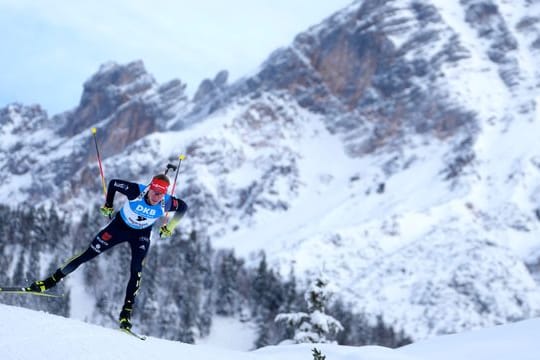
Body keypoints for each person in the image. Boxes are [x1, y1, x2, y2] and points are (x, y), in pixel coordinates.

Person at [27, 174, 188, 331]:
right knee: (87, 254)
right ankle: (49, 282)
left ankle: (125, 314)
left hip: (141, 235)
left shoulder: (167, 203)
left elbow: (183, 207)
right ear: (150, 188)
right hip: (119, 227)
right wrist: (109, 204)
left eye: (161, 194)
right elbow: (113, 183)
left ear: (165, 194)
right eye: (154, 192)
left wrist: (170, 227)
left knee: (136, 271)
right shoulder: (136, 191)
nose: (156, 196)